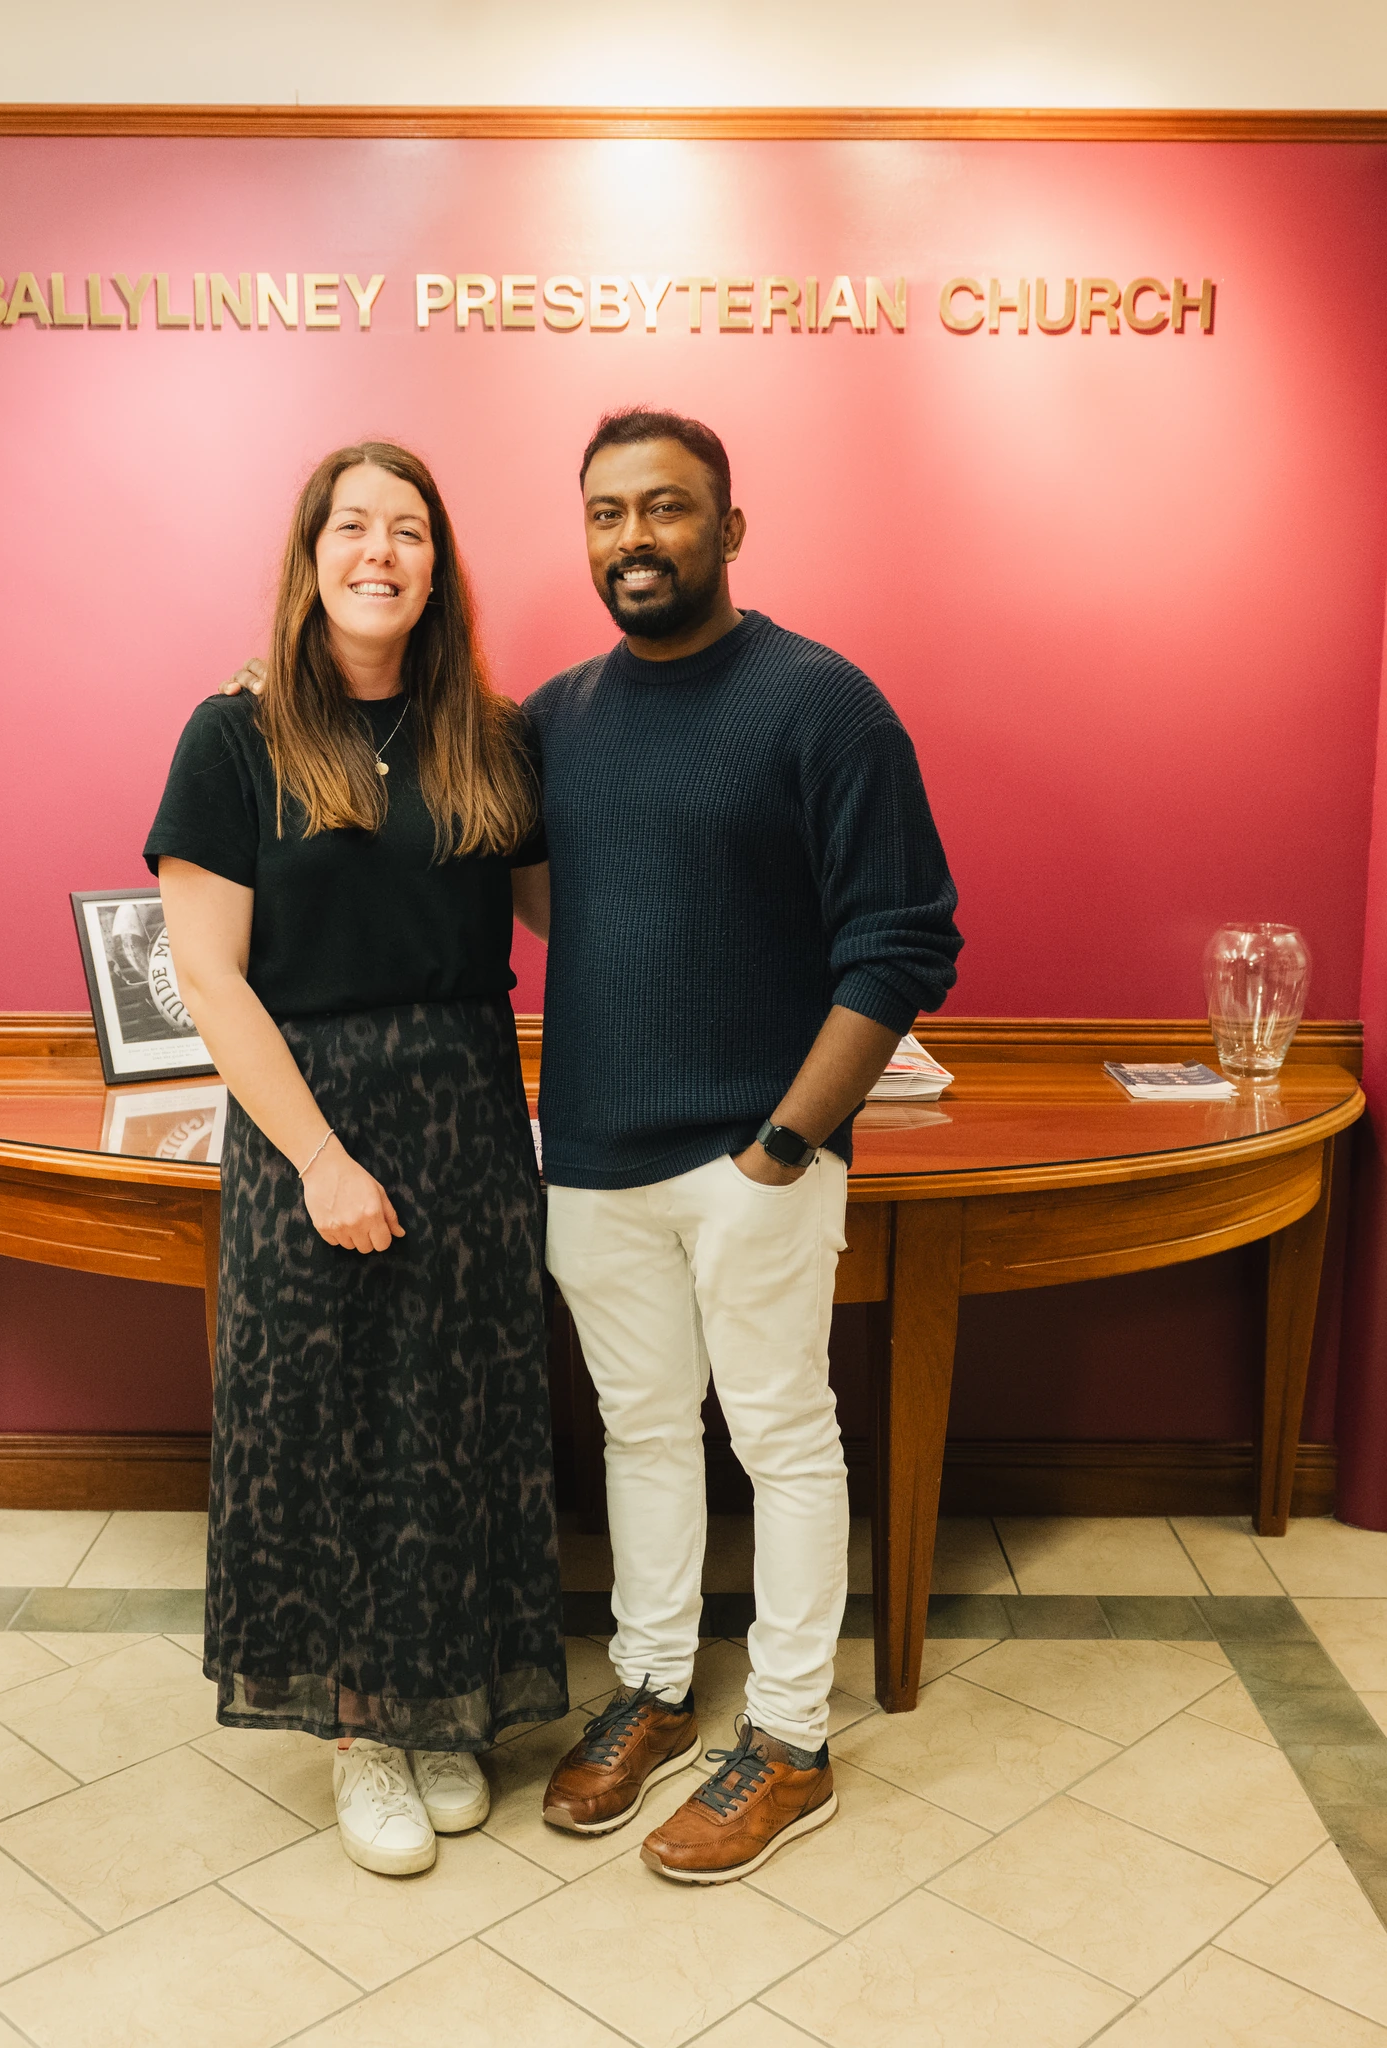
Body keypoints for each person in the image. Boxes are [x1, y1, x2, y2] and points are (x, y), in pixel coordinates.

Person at [531, 408, 962, 1883]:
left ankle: (787, 1738)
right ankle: (651, 1687)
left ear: (729, 527)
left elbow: (904, 944)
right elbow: (545, 888)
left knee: (778, 1438)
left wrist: (786, 1140)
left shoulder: (819, 703)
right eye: (604, 512)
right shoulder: (559, 716)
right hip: (587, 1154)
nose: (631, 537)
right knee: (641, 1435)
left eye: (663, 508)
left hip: (751, 1157)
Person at [147, 440, 567, 1879]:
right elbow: (208, 978)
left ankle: (442, 1707)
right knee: (326, 1434)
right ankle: (359, 1734)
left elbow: (566, 924)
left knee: (454, 1421)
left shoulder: (490, 738)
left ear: (437, 564)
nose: (378, 551)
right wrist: (323, 1160)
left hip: (463, 1113)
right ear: (310, 555)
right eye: (352, 527)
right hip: (301, 1121)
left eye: (407, 530)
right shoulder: (235, 735)